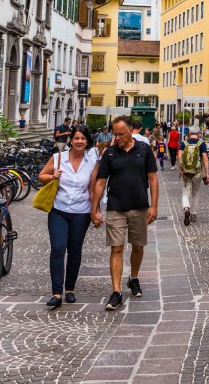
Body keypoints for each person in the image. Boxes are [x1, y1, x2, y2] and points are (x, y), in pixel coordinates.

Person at [91, 116, 158, 311]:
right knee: (116, 248)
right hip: (115, 207)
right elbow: (101, 182)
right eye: (115, 134)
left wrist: (154, 206)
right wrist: (94, 209)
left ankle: (134, 278)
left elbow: (152, 179)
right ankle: (116, 292)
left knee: (138, 246)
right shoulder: (110, 153)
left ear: (131, 131)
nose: (117, 137)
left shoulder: (144, 150)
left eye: (121, 133)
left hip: (139, 206)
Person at [37, 127, 99, 308]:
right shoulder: (58, 158)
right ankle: (56, 292)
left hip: (81, 212)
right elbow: (41, 175)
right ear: (71, 140)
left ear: (87, 142)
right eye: (76, 138)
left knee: (75, 250)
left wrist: (95, 211)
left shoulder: (92, 162)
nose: (79, 141)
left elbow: (93, 189)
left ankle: (69, 289)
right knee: (57, 248)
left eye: (83, 138)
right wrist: (52, 176)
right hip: (58, 210)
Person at [177, 127, 209, 226]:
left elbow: (179, 157)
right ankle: (193, 214)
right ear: (198, 134)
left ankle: (186, 208)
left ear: (189, 133)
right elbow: (205, 158)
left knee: (185, 192)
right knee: (195, 193)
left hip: (186, 172)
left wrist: (181, 170)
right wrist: (207, 173)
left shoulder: (184, 143)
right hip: (197, 172)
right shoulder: (201, 143)